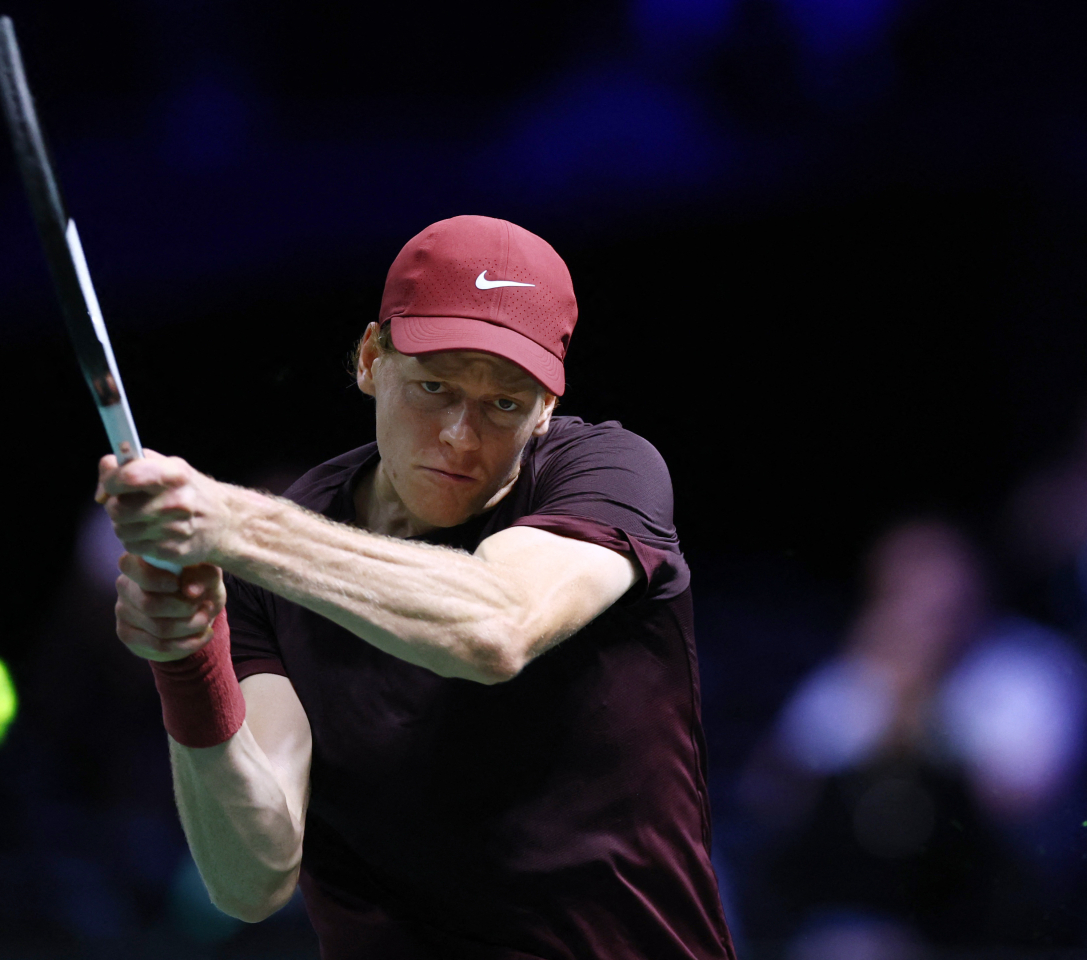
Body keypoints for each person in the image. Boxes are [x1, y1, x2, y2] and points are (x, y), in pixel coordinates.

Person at [96, 215, 737, 959]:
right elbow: (252, 876)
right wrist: (188, 659)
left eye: (504, 403)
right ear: (371, 359)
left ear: (548, 410)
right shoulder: (270, 572)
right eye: (434, 386)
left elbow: (493, 627)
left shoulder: (605, 474)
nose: (462, 436)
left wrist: (233, 524)